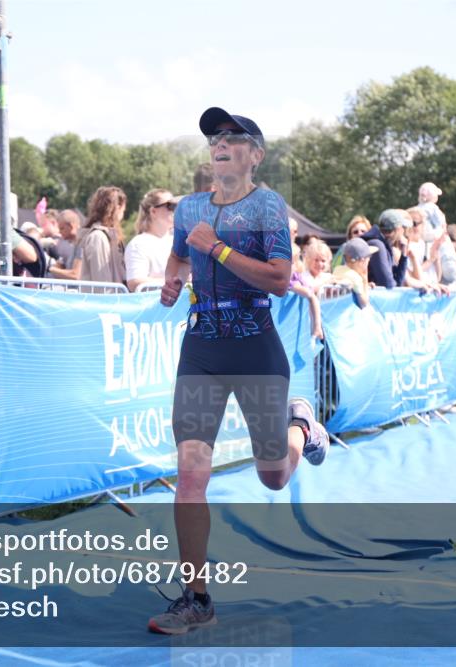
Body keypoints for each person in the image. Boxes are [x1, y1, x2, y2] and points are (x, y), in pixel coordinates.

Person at [152, 106, 330, 635]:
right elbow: (181, 258)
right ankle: (196, 599)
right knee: (190, 475)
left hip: (255, 346)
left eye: (233, 137)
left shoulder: (268, 207)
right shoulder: (188, 209)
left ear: (256, 154)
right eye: (214, 138)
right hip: (202, 348)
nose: (220, 144)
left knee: (273, 476)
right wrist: (170, 283)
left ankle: (300, 425)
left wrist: (219, 248)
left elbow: (279, 279)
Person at [125, 189, 177, 291]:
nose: (175, 210)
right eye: (170, 206)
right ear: (153, 211)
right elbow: (134, 281)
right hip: (154, 305)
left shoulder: (177, 241)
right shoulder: (138, 244)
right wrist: (173, 282)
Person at [74, 186, 127, 284]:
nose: (123, 215)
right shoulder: (98, 237)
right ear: (118, 208)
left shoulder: (106, 236)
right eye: (123, 210)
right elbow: (102, 281)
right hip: (104, 298)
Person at [332, 237, 378, 308]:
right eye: (368, 257)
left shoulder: (337, 269)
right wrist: (365, 280)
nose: (369, 260)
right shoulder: (355, 277)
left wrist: (364, 284)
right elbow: (364, 303)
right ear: (362, 261)